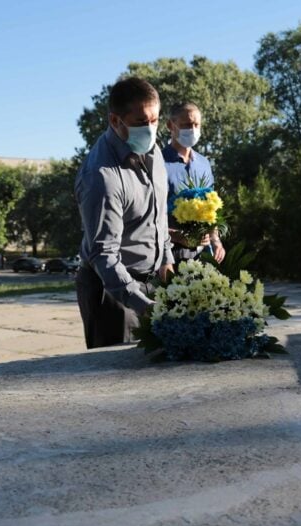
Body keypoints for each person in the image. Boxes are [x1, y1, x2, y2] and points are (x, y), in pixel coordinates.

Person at [75, 77, 174, 348]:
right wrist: (142, 304)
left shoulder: (153, 152)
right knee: (118, 380)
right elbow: (104, 255)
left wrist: (166, 257)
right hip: (112, 292)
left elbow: (159, 213)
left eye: (155, 120)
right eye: (142, 123)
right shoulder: (101, 177)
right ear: (116, 121)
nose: (151, 129)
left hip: (150, 282)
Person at [162, 102, 226, 264]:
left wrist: (215, 241)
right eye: (186, 125)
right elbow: (147, 215)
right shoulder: (158, 163)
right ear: (171, 125)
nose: (192, 129)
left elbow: (212, 209)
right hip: (169, 255)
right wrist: (176, 235)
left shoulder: (203, 163)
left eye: (196, 124)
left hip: (201, 255)